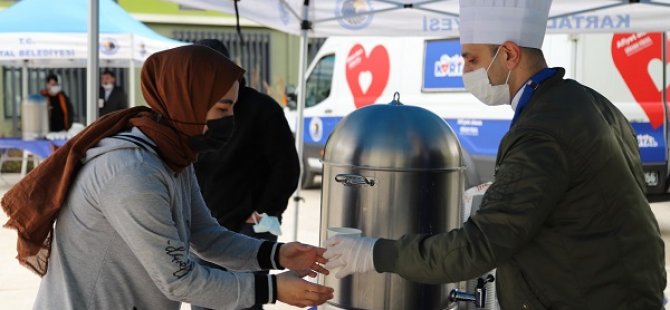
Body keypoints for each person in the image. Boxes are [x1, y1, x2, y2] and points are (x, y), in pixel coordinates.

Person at [323, 1, 667, 309]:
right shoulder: (588, 101)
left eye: (471, 59)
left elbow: (479, 247)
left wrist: (373, 252)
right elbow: (584, 198)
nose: (466, 72)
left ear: (509, 55)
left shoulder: (541, 130)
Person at [1, 45, 333, 309]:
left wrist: (277, 254)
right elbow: (180, 279)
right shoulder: (131, 171)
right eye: (222, 108)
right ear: (186, 102)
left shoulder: (172, 156)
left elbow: (206, 237)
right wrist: (272, 289)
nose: (231, 118)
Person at [192, 38, 301, 310]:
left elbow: (287, 167)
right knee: (205, 300)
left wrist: (265, 211)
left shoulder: (261, 108)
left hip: (250, 228)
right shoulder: (193, 108)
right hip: (204, 227)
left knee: (244, 301)